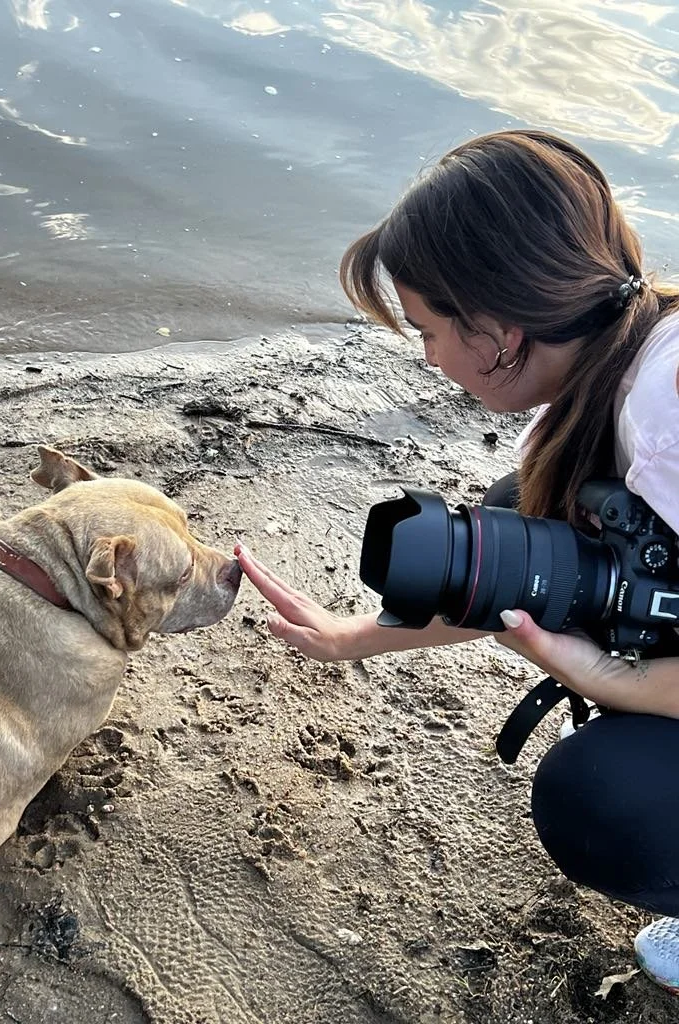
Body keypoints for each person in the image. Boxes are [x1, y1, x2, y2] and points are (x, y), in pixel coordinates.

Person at [235, 129, 679, 995]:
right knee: (520, 520)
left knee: (609, 804)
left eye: (428, 328)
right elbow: (524, 583)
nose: (429, 358)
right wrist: (352, 639)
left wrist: (610, 680)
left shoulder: (668, 416)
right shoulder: (618, 371)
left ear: (502, 331)